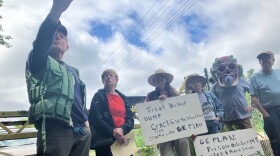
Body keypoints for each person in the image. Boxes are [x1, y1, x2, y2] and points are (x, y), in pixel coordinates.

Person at [25, 0, 91, 155]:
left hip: (82, 130)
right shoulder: (39, 60)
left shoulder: (74, 71)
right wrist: (57, 10)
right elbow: (41, 43)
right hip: (55, 128)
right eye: (54, 35)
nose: (57, 37)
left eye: (61, 36)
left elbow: (78, 99)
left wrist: (86, 122)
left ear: (67, 46)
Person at [89, 69, 134, 156]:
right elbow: (96, 119)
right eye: (106, 76)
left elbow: (130, 119)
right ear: (103, 81)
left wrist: (122, 130)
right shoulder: (98, 96)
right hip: (105, 140)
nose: (108, 77)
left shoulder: (123, 98)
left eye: (111, 75)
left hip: (123, 138)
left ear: (116, 79)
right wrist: (113, 131)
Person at [145, 69, 190, 156]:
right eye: (157, 78)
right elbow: (146, 113)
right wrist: (158, 104)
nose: (159, 79)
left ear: (165, 79)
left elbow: (182, 107)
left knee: (184, 145)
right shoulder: (150, 96)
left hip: (178, 127)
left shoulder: (173, 91)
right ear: (155, 82)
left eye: (161, 76)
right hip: (162, 131)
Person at [210, 55, 252, 131]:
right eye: (222, 69)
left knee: (250, 136)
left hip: (244, 115)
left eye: (232, 67)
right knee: (232, 140)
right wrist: (216, 114)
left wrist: (253, 105)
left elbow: (253, 93)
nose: (227, 71)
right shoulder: (215, 87)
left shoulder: (242, 81)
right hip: (226, 118)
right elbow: (211, 101)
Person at [250, 50, 280, 156]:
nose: (265, 61)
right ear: (259, 62)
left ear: (273, 60)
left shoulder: (279, 72)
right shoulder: (255, 77)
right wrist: (266, 115)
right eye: (262, 59)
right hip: (269, 111)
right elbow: (254, 98)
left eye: (268, 58)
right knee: (276, 140)